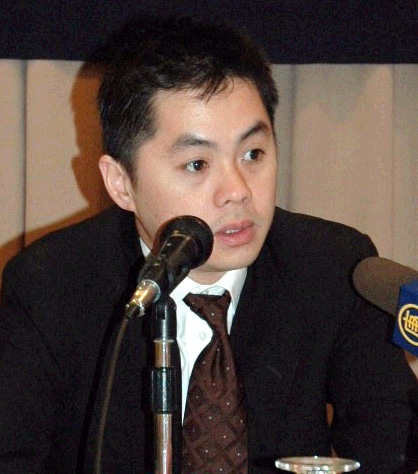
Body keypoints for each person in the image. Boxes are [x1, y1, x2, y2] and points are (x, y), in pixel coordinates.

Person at [0, 14, 417, 474]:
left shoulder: (335, 269)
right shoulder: (50, 286)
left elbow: (388, 448)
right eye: (197, 164)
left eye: (253, 154)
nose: (237, 190)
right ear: (120, 183)